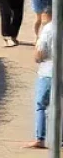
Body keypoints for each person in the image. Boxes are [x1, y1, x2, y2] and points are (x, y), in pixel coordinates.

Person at [29, 16, 55, 149]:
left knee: (41, 105)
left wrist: (37, 58)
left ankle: (40, 138)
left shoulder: (49, 29)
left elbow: (40, 52)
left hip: (48, 72)